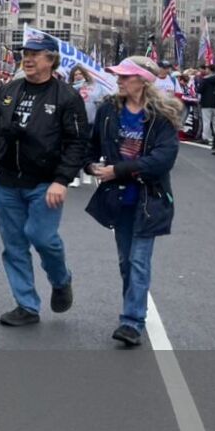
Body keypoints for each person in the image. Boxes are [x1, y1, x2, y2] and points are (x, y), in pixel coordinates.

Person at [0, 31, 85, 326]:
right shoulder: (8, 90)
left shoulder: (67, 97)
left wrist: (62, 180)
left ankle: (61, 280)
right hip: (8, 182)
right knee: (13, 245)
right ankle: (26, 305)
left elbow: (77, 143)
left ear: (51, 60)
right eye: (26, 53)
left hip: (45, 183)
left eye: (35, 54)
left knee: (43, 238)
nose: (28, 58)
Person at [84, 56, 180, 347]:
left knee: (138, 261)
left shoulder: (161, 116)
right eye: (119, 76)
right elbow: (92, 147)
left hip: (149, 199)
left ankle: (132, 321)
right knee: (127, 261)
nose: (120, 81)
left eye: (126, 76)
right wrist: (91, 167)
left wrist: (118, 170)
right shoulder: (108, 111)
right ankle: (134, 309)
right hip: (118, 198)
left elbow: (163, 159)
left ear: (143, 80)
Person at [67, 65, 109, 187]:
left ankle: (87, 171)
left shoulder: (95, 87)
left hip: (92, 121)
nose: (78, 76)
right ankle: (75, 175)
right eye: (75, 74)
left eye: (80, 73)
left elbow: (105, 98)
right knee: (76, 148)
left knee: (89, 148)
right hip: (76, 122)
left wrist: (101, 101)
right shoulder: (69, 88)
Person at [198, 64, 215, 143]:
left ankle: (205, 138)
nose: (206, 70)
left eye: (207, 69)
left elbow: (200, 90)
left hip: (206, 102)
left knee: (206, 121)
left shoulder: (205, 80)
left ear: (210, 70)